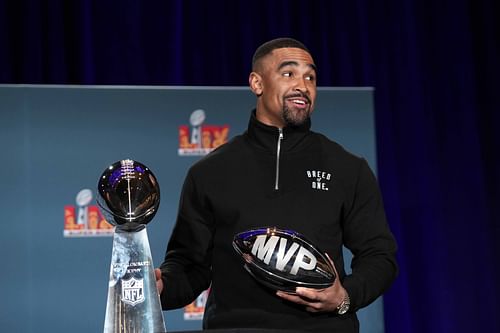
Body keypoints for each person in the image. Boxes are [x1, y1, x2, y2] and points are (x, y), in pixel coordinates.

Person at [155, 37, 398, 332]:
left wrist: (345, 297)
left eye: (310, 76)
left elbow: (379, 256)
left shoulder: (348, 168)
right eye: (288, 73)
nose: (303, 85)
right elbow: (189, 267)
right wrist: (161, 287)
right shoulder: (209, 172)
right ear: (257, 83)